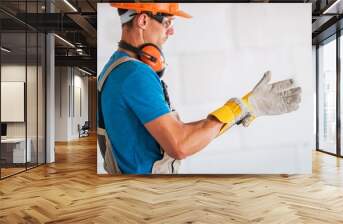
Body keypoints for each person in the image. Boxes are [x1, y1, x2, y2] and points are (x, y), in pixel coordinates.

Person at [98, 3, 302, 174]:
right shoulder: (136, 74)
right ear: (143, 20)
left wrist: (243, 111)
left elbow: (182, 134)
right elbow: (180, 145)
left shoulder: (114, 67)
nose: (171, 31)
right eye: (168, 22)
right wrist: (240, 107)